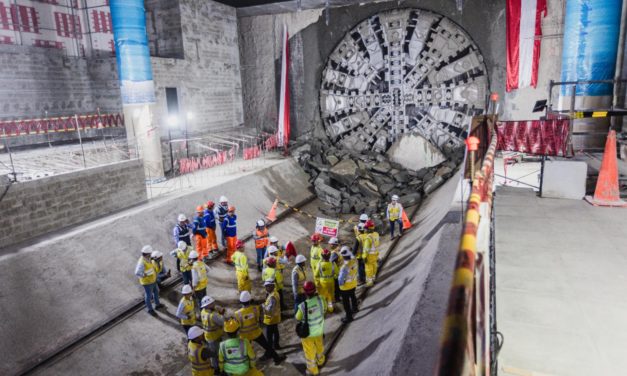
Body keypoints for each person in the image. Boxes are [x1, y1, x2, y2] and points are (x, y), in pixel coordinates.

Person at [234, 291, 285, 364]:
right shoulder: (255, 309)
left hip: (245, 336)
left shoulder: (237, 314)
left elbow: (236, 326)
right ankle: (276, 359)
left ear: (241, 301)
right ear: (249, 300)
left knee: (245, 351)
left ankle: (246, 365)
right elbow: (261, 314)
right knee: (267, 346)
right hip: (256, 333)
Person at [295, 281, 326, 375]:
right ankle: (321, 361)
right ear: (315, 290)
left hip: (308, 334)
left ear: (305, 292)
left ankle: (313, 370)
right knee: (319, 346)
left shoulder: (303, 306)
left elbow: (297, 318)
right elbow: (324, 310)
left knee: (310, 352)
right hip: (319, 330)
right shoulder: (321, 299)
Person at [135, 245, 164, 315]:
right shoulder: (141, 262)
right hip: (147, 282)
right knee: (148, 296)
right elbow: (137, 272)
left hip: (153, 280)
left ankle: (157, 305)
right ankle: (150, 309)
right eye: (150, 253)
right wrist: (144, 275)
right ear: (147, 254)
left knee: (156, 291)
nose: (151, 254)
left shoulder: (148, 258)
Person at [200, 296, 225, 370]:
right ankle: (217, 368)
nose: (214, 304)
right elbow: (222, 322)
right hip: (215, 337)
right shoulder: (213, 315)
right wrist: (221, 314)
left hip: (208, 336)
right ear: (208, 305)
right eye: (212, 303)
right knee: (216, 353)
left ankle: (215, 366)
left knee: (213, 352)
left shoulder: (203, 311)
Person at [338, 246, 358, 323]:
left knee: (346, 303)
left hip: (345, 288)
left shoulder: (344, 267)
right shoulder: (354, 261)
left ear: (343, 256)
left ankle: (349, 317)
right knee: (353, 296)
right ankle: (355, 308)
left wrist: (341, 285)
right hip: (353, 283)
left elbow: (340, 280)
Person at [262, 280, 281, 349]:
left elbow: (269, 310)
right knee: (275, 332)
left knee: (269, 336)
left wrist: (263, 306)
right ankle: (276, 345)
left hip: (270, 319)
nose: (265, 288)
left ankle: (270, 348)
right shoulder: (276, 293)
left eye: (267, 286)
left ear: (272, 286)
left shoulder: (272, 297)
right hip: (275, 317)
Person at [364, 220, 380, 286]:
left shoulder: (368, 237)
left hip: (369, 255)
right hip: (375, 253)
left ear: (368, 228)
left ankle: (369, 282)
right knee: (374, 266)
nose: (365, 229)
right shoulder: (376, 234)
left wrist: (364, 256)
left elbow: (366, 249)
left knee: (368, 269)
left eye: (366, 228)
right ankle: (374, 278)